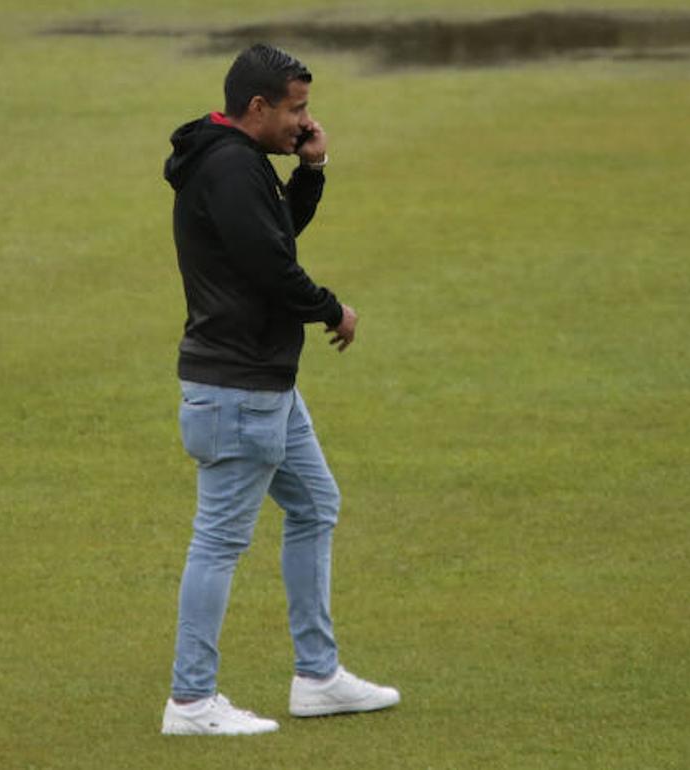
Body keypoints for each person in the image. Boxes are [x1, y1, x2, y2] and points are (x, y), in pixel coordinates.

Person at [159, 44, 400, 736]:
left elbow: (273, 234)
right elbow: (272, 266)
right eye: (295, 110)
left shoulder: (235, 160)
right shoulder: (232, 167)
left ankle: (318, 678)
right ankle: (192, 701)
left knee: (315, 504)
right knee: (218, 542)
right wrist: (333, 309)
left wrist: (311, 170)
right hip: (237, 389)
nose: (305, 120)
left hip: (260, 384)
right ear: (257, 107)